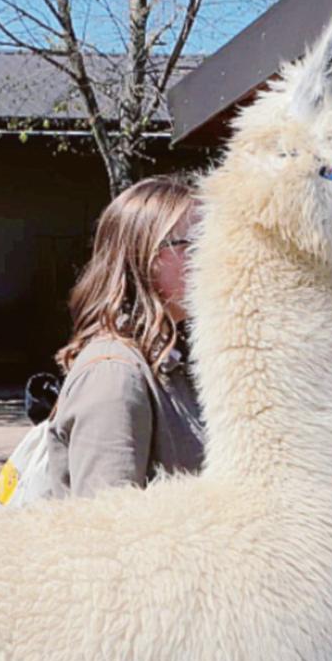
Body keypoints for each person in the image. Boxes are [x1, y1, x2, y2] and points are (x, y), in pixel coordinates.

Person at [46, 175, 205, 496]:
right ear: (144, 257)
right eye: (195, 242)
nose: (213, 257)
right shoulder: (114, 374)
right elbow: (105, 518)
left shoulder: (170, 358)